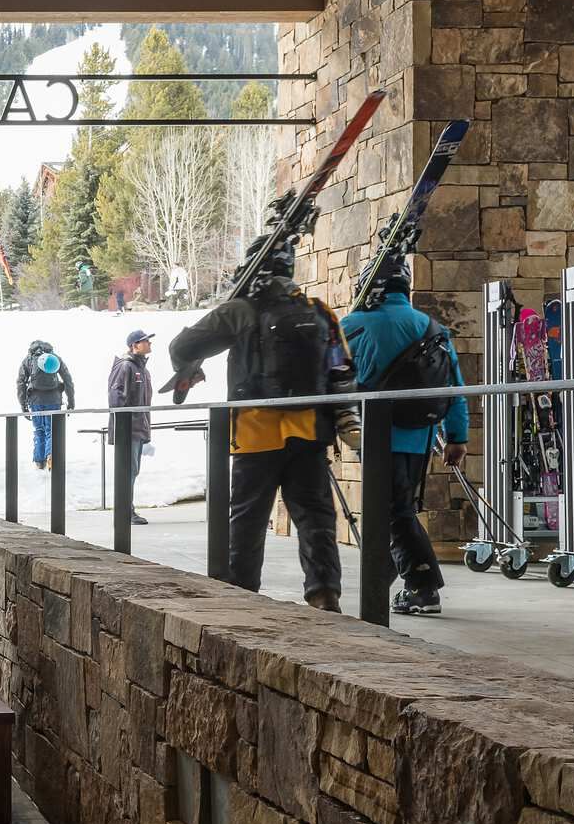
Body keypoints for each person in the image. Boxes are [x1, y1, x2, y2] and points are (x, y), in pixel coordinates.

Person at [167, 238, 360, 612]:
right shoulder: (320, 311)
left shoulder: (240, 311)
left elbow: (182, 348)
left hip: (255, 433)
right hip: (309, 431)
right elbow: (342, 368)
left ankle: (241, 595)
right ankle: (324, 594)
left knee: (248, 518)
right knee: (315, 516)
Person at [341, 263, 469, 616]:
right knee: (400, 510)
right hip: (421, 438)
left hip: (378, 436)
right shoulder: (432, 327)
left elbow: (332, 376)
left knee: (395, 513)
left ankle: (422, 587)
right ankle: (390, 581)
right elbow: (454, 387)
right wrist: (456, 437)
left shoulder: (354, 326)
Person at [107, 329, 155, 526]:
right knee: (128, 470)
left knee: (132, 470)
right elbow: (116, 396)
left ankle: (127, 508)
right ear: (134, 345)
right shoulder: (126, 367)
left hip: (137, 428)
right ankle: (125, 511)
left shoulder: (142, 369)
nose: (149, 344)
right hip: (127, 429)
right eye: (145, 342)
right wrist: (124, 425)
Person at [16, 339, 75, 469]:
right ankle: (51, 455)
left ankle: (39, 460)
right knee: (51, 429)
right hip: (54, 399)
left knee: (39, 429)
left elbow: (21, 382)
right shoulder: (54, 358)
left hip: (35, 400)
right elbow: (67, 379)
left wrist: (23, 404)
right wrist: (71, 400)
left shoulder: (29, 359)